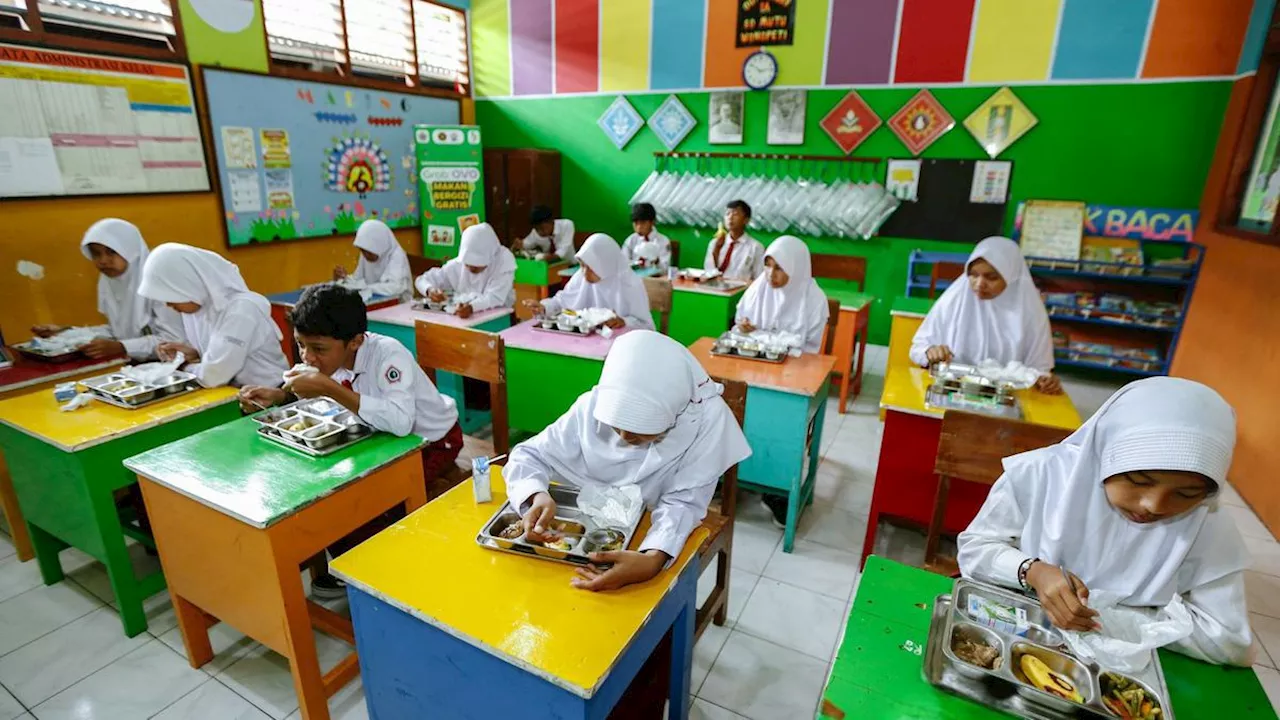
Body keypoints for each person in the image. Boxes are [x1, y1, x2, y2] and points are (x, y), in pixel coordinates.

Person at [957, 377, 1254, 666]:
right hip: (1012, 634)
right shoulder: (1039, 474)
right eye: (1138, 480)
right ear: (1106, 453)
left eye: (1186, 493)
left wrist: (1110, 620)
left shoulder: (1209, 521)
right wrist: (1032, 572)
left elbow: (1229, 641)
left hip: (1124, 664)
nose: (1152, 505)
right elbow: (975, 549)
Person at [239, 284, 462, 598]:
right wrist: (280, 395)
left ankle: (380, 575)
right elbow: (332, 403)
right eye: (301, 345)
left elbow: (401, 422)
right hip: (378, 440)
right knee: (328, 494)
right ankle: (354, 562)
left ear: (356, 341)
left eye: (318, 348)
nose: (307, 357)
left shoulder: (388, 353)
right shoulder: (331, 359)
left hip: (433, 441)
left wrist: (329, 388)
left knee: (371, 502)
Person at [504, 331, 751, 591]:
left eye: (642, 427)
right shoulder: (595, 405)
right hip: (586, 522)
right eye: (615, 425)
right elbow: (530, 454)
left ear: (674, 409)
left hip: (651, 526)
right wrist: (535, 495)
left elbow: (683, 504)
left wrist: (653, 558)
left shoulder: (705, 422)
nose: (624, 436)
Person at [909, 236, 1062, 394]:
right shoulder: (954, 300)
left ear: (1011, 277)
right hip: (952, 390)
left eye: (991, 277)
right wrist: (930, 352)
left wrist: (1045, 380)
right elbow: (918, 348)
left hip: (1005, 397)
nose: (979, 284)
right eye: (973, 274)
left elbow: (1039, 369)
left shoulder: (1031, 313)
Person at [137, 243, 288, 388]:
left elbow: (213, 376)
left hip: (271, 396)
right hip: (234, 393)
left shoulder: (241, 311)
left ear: (189, 285)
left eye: (172, 295)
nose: (168, 305)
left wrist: (183, 366)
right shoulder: (198, 309)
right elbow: (216, 357)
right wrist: (193, 353)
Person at [30, 219, 183, 360]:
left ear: (131, 250)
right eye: (96, 254)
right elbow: (120, 332)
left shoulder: (160, 282)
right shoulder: (110, 282)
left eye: (112, 252)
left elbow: (176, 341)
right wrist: (67, 333)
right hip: (144, 366)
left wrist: (122, 347)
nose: (103, 261)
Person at [530, 234, 654, 330]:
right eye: (582, 265)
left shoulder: (630, 284)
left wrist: (624, 322)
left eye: (591, 266)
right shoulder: (581, 277)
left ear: (606, 264)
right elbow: (562, 301)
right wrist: (544, 307)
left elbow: (646, 327)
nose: (584, 272)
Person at [734, 236, 829, 354]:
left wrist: (761, 337)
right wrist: (743, 327)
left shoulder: (814, 300)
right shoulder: (759, 287)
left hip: (796, 366)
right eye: (767, 265)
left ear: (796, 268)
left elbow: (810, 350)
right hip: (757, 360)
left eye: (779, 268)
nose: (770, 274)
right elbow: (740, 326)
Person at [414, 222, 515, 318]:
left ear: (490, 256)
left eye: (477, 264)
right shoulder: (458, 264)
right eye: (467, 264)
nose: (471, 268)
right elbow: (422, 280)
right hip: (464, 320)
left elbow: (494, 297)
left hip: (499, 319)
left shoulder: (503, 260)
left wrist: (472, 307)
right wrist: (430, 290)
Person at [333, 219, 413, 302]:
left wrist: (366, 288)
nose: (365, 255)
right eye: (362, 251)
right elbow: (358, 280)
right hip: (373, 304)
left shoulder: (396, 255)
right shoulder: (367, 251)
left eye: (368, 252)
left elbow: (396, 288)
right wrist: (345, 279)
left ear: (379, 245)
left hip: (399, 306)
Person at [703, 200, 764, 282]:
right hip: (717, 289)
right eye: (727, 214)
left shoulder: (756, 247)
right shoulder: (715, 243)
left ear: (746, 220)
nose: (730, 218)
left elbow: (759, 278)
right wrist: (716, 251)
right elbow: (708, 271)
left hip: (742, 291)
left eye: (735, 214)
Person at [620, 203, 671, 269]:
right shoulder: (630, 240)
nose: (639, 227)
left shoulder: (663, 241)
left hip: (655, 278)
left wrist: (656, 261)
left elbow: (666, 268)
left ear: (652, 222)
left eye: (643, 223)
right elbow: (622, 263)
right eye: (636, 223)